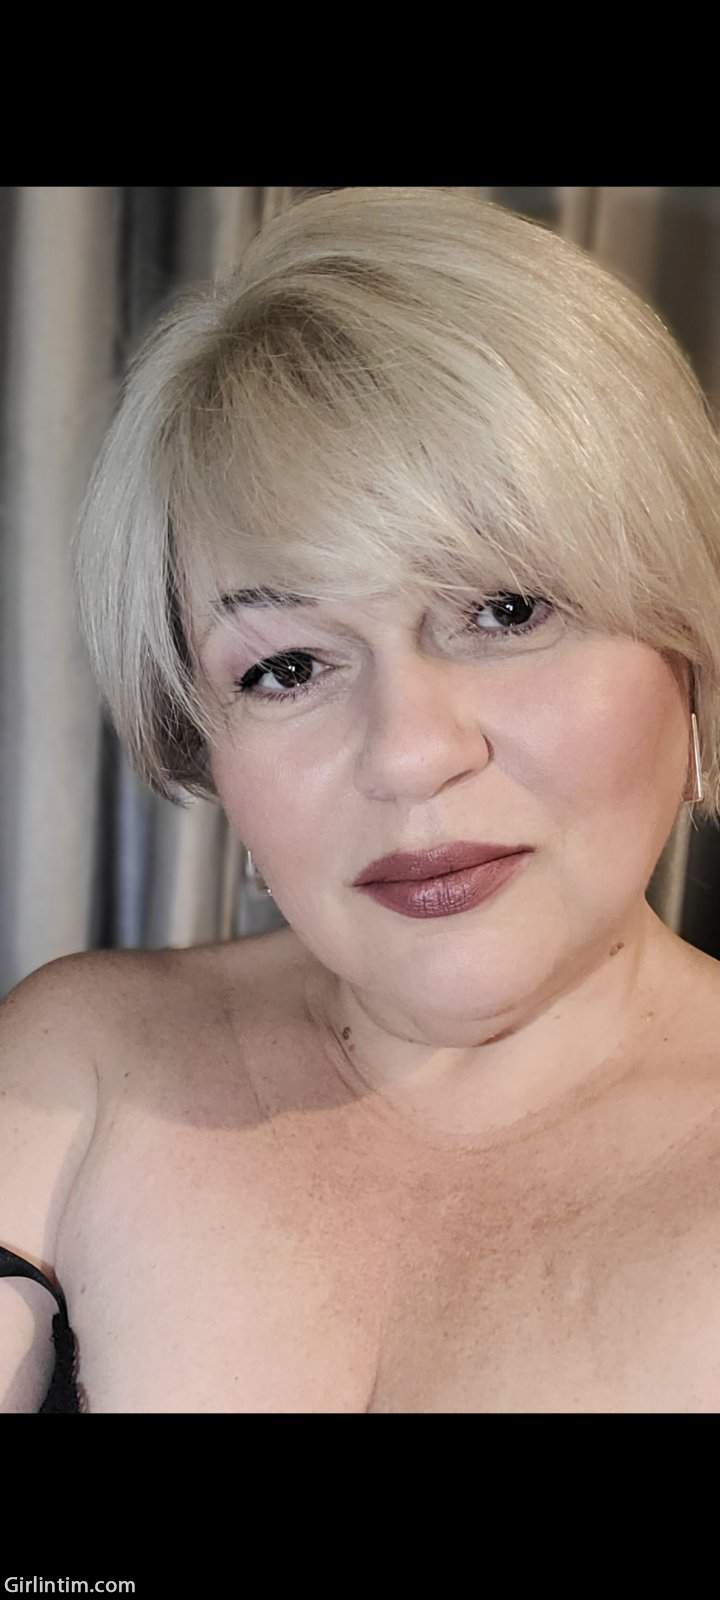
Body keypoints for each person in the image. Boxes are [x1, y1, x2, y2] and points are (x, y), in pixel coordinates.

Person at [3, 186, 720, 1414]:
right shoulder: (77, 1066)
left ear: (687, 643)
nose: (410, 753)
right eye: (287, 667)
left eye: (506, 610)